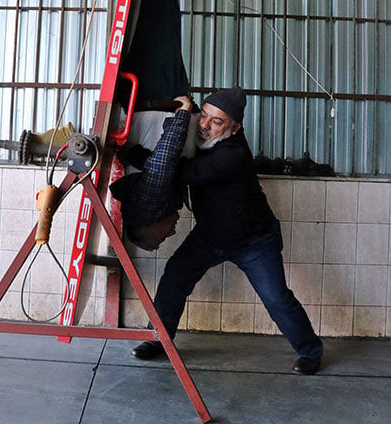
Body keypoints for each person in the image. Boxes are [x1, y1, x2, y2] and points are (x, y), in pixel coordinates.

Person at [131, 86, 323, 376]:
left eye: (217, 122)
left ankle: (310, 351)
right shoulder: (206, 138)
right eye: (204, 117)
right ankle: (158, 339)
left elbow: (178, 172)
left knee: (276, 297)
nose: (205, 126)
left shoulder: (232, 156)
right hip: (210, 236)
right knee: (174, 278)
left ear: (235, 128)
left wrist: (130, 152)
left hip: (253, 241)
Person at [110, 95, 193, 251]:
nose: (172, 232)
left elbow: (163, 162)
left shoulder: (145, 209)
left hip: (162, 106)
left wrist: (182, 114)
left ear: (147, 229)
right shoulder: (152, 206)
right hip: (161, 107)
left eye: (161, 239)